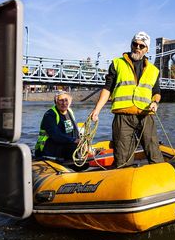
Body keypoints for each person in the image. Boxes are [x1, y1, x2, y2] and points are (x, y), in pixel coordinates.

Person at [90, 31, 163, 167]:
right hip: (123, 117)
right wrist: (97, 110)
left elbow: (156, 92)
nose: (137, 48)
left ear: (146, 49)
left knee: (153, 151)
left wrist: (155, 102)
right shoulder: (117, 63)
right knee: (123, 157)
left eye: (142, 46)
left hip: (145, 115)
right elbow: (107, 88)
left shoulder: (154, 70)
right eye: (135, 44)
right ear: (131, 44)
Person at [34, 91, 80, 160]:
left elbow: (74, 130)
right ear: (55, 102)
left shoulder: (69, 111)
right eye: (61, 100)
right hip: (47, 150)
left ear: (70, 102)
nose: (64, 103)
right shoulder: (50, 115)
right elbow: (56, 135)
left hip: (64, 145)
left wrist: (80, 140)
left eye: (66, 100)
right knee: (73, 147)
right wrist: (74, 140)